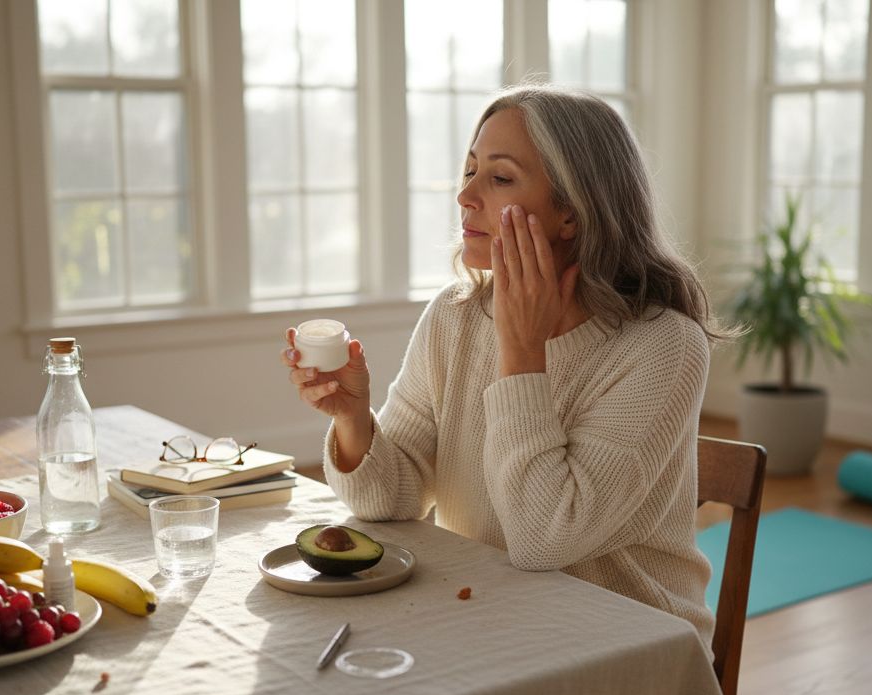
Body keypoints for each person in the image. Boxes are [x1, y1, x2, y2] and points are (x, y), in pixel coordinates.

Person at [281, 84, 726, 647]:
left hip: (624, 640)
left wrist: (520, 352)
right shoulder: (455, 316)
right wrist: (352, 419)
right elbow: (388, 503)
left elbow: (545, 538)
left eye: (500, 177)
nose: (465, 196)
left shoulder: (663, 346)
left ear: (571, 212)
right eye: (469, 171)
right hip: (488, 614)